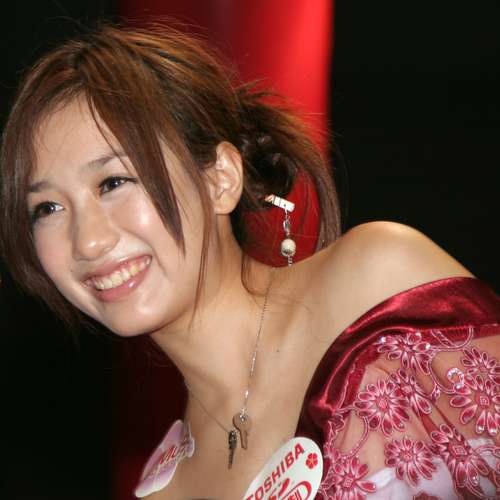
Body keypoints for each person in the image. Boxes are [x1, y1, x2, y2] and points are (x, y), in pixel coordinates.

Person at [1, 23, 499, 500]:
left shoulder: (377, 283)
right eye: (47, 208)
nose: (88, 242)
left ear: (220, 179)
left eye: (113, 182)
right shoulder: (169, 489)